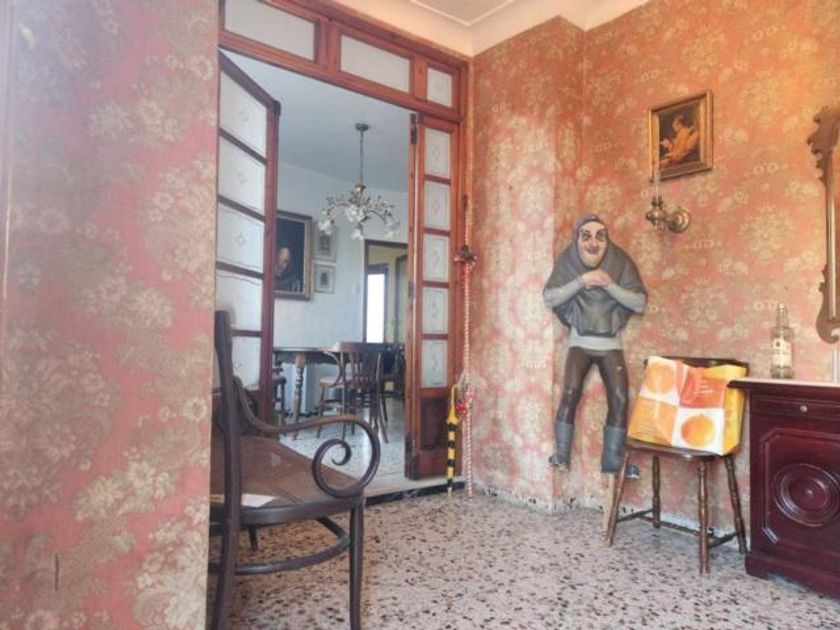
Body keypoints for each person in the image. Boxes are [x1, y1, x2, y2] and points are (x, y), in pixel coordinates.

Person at [543, 214, 646, 474]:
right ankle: (561, 455)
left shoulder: (620, 261)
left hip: (611, 344)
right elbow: (550, 298)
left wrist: (608, 284)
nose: (593, 243)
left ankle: (613, 463)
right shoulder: (568, 261)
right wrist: (582, 281)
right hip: (579, 343)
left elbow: (639, 303)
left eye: (600, 237)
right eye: (586, 236)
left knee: (620, 398)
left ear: (607, 240)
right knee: (569, 392)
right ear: (577, 239)